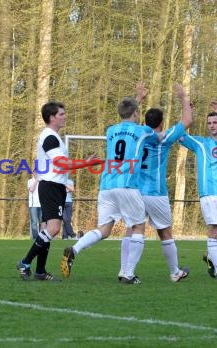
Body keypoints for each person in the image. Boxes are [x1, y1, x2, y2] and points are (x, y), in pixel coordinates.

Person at [61, 82, 161, 284]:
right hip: (127, 185)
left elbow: (127, 117)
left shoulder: (110, 131)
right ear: (136, 113)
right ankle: (128, 274)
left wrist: (137, 99)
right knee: (138, 228)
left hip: (107, 185)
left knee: (104, 229)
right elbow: (158, 137)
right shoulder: (144, 131)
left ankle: (75, 249)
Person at [119, 83, 192, 282]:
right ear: (161, 123)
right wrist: (183, 97)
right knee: (165, 232)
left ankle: (124, 270)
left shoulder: (137, 133)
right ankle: (174, 272)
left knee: (132, 230)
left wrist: (138, 97)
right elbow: (187, 120)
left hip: (135, 191)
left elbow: (128, 118)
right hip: (155, 192)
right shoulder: (165, 137)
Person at [16, 101, 97, 281]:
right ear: (51, 117)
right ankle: (25, 262)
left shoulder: (54, 137)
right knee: (53, 229)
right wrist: (86, 163)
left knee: (46, 229)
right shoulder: (50, 137)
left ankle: (40, 271)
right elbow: (61, 163)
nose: (64, 116)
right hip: (51, 186)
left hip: (56, 186)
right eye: (61, 114)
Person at [178, 101, 217, 280]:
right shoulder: (200, 143)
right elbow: (179, 134)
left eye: (215, 122)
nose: (212, 126)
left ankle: (210, 256)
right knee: (213, 230)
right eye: (209, 123)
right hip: (209, 193)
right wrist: (188, 110)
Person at [27, 172, 43, 240]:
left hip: (41, 204)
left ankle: (42, 237)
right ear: (33, 173)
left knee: (42, 221)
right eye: (35, 173)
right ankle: (35, 237)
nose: (36, 174)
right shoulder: (30, 181)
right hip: (33, 205)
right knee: (34, 222)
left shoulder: (42, 181)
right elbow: (31, 189)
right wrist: (36, 181)